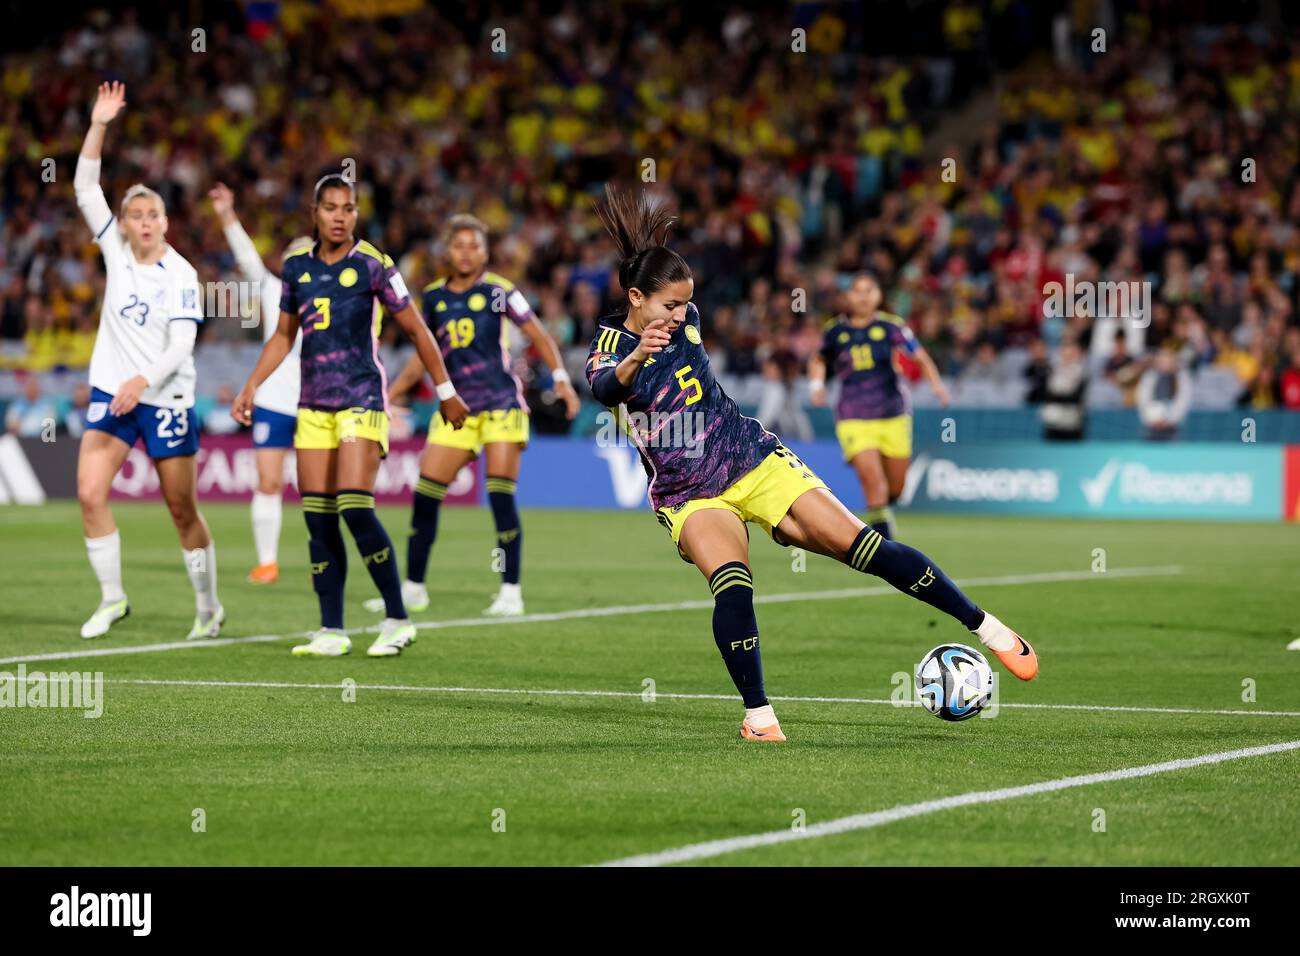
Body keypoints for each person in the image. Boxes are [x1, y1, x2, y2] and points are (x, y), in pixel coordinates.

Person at [585, 188, 1036, 742]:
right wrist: (636, 355)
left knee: (865, 548)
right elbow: (604, 390)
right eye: (669, 307)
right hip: (687, 491)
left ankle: (987, 627)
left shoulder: (689, 317)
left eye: (685, 305)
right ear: (635, 297)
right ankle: (758, 716)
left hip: (750, 458)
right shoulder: (608, 344)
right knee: (733, 583)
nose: (680, 316)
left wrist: (667, 328)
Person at [231, 174, 469, 658]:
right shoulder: (295, 266)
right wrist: (252, 384)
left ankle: (397, 618)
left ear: (356, 214)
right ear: (314, 213)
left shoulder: (374, 264)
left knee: (355, 507)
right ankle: (332, 630)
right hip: (313, 405)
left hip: (361, 400)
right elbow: (282, 335)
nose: (340, 217)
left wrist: (445, 391)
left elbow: (420, 332)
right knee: (318, 518)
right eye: (331, 208)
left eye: (349, 208)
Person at [74, 82, 222, 641]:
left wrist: (141, 380)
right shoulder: (113, 248)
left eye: (151, 213)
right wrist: (100, 124)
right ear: (126, 222)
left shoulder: (182, 276)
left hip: (163, 398)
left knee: (181, 510)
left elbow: (182, 347)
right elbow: (84, 186)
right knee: (89, 493)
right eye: (133, 214)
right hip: (115, 393)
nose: (141, 221)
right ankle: (113, 599)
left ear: (164, 222)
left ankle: (208, 605)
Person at [379, 214, 580, 617]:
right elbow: (427, 355)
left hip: (502, 406)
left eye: (475, 246)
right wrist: (394, 390)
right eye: (459, 246)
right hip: (456, 409)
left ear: (486, 252)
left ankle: (510, 590)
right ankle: (414, 587)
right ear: (446, 251)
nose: (467, 253)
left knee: (500, 497)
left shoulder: (500, 291)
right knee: (425, 497)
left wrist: (561, 377)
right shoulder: (433, 299)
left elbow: (539, 334)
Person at [210, 181, 311, 583]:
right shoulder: (272, 290)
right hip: (273, 399)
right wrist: (225, 215)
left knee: (315, 487)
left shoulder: (332, 297)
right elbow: (246, 256)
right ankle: (267, 562)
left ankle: (320, 561)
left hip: (318, 400)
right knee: (269, 481)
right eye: (292, 258)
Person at [808, 273, 950, 539]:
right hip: (853, 415)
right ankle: (886, 546)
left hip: (892, 413)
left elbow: (919, 357)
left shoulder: (891, 327)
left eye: (869, 290)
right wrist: (816, 387)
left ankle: (883, 512)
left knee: (895, 488)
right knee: (873, 481)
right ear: (848, 296)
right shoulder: (835, 331)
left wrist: (937, 386)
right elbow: (818, 360)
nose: (863, 296)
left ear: (878, 296)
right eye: (857, 291)